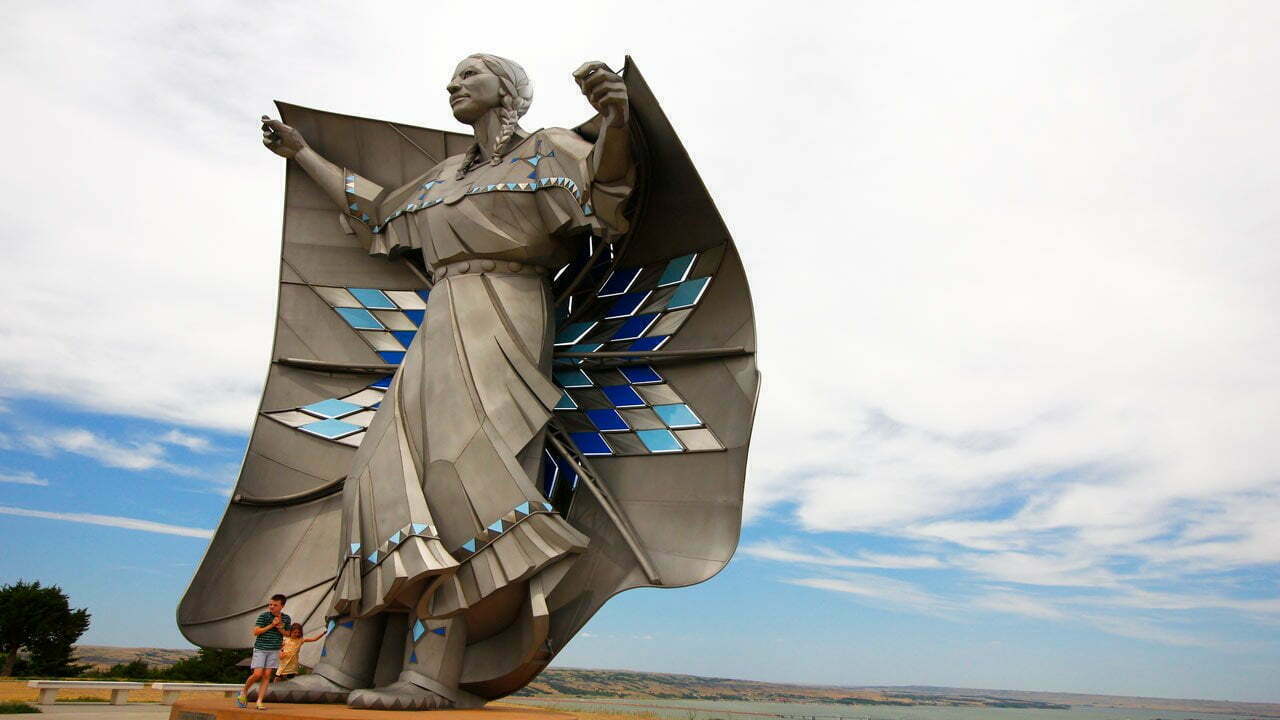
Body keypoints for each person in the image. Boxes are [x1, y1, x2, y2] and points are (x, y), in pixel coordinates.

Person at [256, 54, 633, 710]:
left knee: (462, 486)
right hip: (439, 321)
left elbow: (606, 196)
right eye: (453, 78)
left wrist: (619, 120)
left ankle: (430, 673)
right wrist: (304, 154)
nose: (453, 85)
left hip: (506, 311)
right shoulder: (447, 175)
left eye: (469, 76)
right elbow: (373, 212)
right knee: (380, 480)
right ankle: (345, 664)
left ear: (506, 90)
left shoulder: (547, 150)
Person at [237, 593, 291, 710]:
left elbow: (288, 634)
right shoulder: (264, 616)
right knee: (257, 674)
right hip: (261, 649)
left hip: (274, 650)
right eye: (270, 604)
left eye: (275, 605)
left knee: (267, 676)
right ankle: (244, 691)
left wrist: (280, 627)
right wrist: (272, 625)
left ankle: (259, 701)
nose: (271, 607)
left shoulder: (286, 618)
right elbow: (256, 632)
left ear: (282, 606)